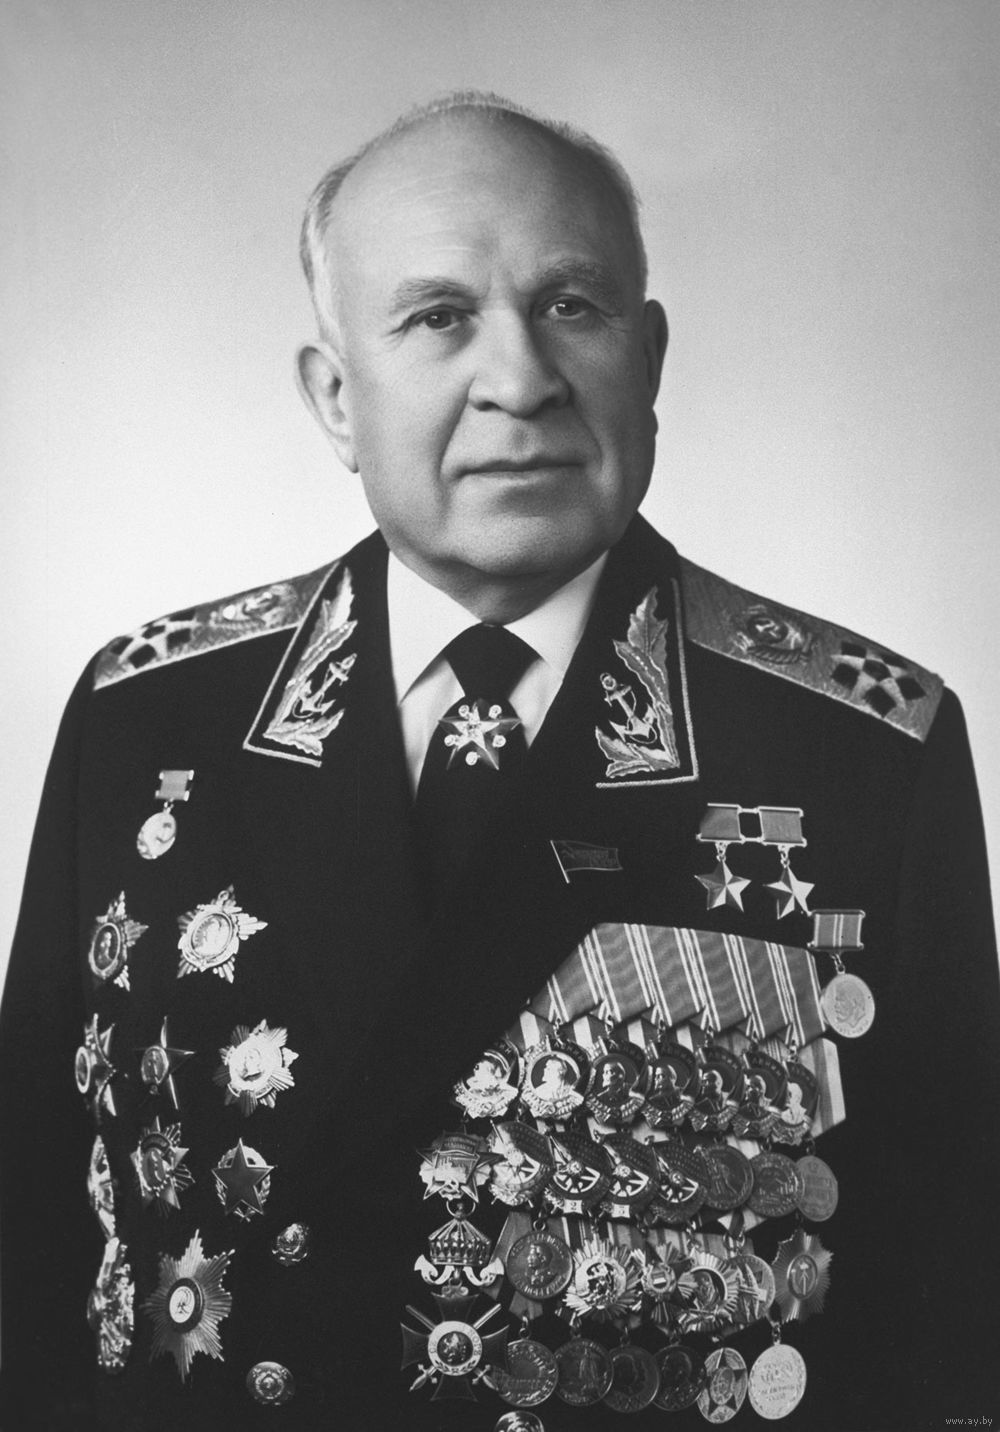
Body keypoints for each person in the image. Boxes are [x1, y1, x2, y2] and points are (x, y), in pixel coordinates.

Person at [0, 89, 996, 1432]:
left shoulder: (864, 754)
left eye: (571, 306)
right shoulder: (148, 719)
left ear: (650, 360)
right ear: (337, 398)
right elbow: (30, 1259)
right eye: (438, 317)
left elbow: (950, 1321)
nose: (520, 379)